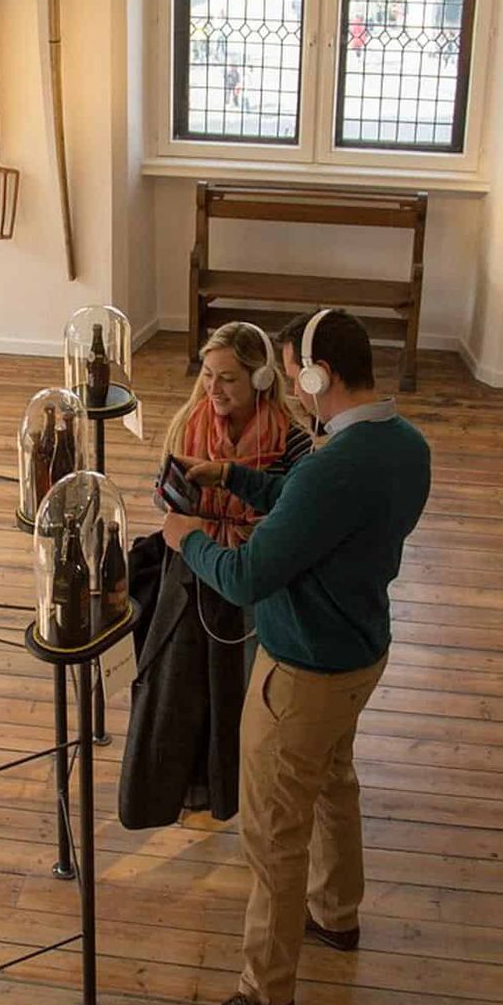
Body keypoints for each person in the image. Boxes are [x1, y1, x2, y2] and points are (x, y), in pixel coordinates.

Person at [162, 309, 431, 1005]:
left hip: (302, 671)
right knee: (334, 781)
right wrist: (236, 476)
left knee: (274, 832)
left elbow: (247, 574)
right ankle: (336, 913)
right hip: (361, 655)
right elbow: (320, 512)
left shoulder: (328, 467)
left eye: (293, 371)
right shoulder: (408, 446)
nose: (291, 387)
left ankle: (266, 992)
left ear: (319, 376)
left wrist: (186, 541)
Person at [119, 323, 312, 829]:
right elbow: (164, 495)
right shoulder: (189, 421)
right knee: (184, 693)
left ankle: (246, 793)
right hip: (192, 564)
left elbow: (292, 515)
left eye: (228, 378)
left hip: (253, 574)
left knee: (244, 694)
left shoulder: (293, 443)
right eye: (208, 375)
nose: (214, 389)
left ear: (262, 378)